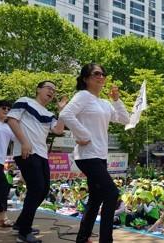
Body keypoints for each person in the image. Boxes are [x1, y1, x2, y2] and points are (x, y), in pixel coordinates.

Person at [59, 63, 130, 243]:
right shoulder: (83, 96)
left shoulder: (104, 103)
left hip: (100, 155)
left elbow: (125, 119)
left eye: (103, 74)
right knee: (112, 194)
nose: (101, 77)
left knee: (96, 198)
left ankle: (82, 237)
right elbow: (66, 114)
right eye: (96, 73)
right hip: (87, 155)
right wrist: (82, 135)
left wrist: (116, 100)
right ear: (86, 78)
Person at [7, 80, 66, 243]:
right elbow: (12, 120)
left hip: (42, 154)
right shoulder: (24, 101)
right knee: (37, 188)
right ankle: (24, 233)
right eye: (49, 88)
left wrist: (62, 111)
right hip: (26, 151)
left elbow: (59, 130)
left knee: (43, 189)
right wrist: (24, 142)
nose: (52, 91)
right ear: (38, 89)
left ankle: (20, 224)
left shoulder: (49, 114)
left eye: (54, 90)